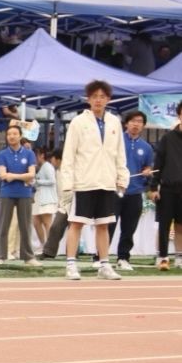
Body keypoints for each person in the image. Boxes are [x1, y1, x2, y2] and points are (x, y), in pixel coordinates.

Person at [60, 79, 129, 280]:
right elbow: (69, 154)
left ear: (108, 99)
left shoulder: (114, 122)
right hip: (83, 181)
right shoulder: (78, 122)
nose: (98, 100)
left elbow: (120, 153)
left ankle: (104, 265)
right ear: (88, 99)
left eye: (102, 97)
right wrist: (67, 183)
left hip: (106, 181)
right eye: (94, 97)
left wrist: (122, 178)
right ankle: (71, 264)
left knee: (103, 224)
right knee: (76, 223)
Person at [0, 122, 40, 265]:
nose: (11, 136)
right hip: (6, 193)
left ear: (20, 136)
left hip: (25, 193)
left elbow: (32, 174)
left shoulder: (29, 153)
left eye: (14, 134)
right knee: (4, 225)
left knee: (25, 226)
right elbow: (3, 175)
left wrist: (13, 176)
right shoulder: (2, 154)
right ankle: (1, 256)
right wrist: (21, 176)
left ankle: (28, 257)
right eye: (9, 134)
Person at [116, 110, 155, 270]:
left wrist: (148, 172)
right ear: (126, 123)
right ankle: (99, 257)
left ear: (143, 126)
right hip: (114, 190)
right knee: (107, 225)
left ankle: (123, 258)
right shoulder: (116, 141)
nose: (136, 124)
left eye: (139, 122)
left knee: (129, 228)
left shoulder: (146, 147)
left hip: (135, 192)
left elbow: (148, 168)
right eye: (133, 121)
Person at [151, 120, 182, 270]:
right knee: (164, 225)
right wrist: (153, 187)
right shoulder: (167, 138)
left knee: (181, 225)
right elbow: (158, 163)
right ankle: (162, 257)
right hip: (167, 188)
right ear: (179, 116)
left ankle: (179, 257)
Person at [32, 145, 61, 257]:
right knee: (36, 222)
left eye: (36, 155)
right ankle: (44, 245)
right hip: (40, 198)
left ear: (41, 155)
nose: (35, 158)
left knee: (47, 223)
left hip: (47, 199)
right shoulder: (42, 167)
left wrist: (38, 182)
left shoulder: (47, 166)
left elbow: (52, 181)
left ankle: (50, 249)